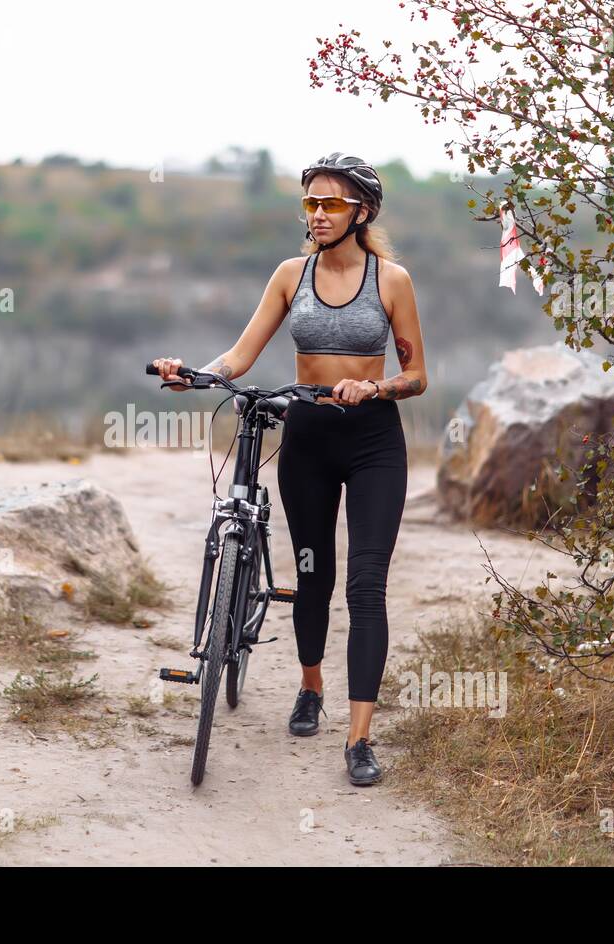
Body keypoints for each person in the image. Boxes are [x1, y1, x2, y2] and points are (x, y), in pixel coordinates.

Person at [151, 152, 427, 786]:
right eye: (310, 203)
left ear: (362, 211)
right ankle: (310, 687)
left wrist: (376, 388)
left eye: (331, 204)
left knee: (366, 586)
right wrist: (194, 374)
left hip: (372, 444)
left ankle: (359, 738)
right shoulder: (289, 275)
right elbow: (241, 356)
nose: (319, 214)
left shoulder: (392, 280)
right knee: (314, 575)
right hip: (306, 438)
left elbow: (416, 376)